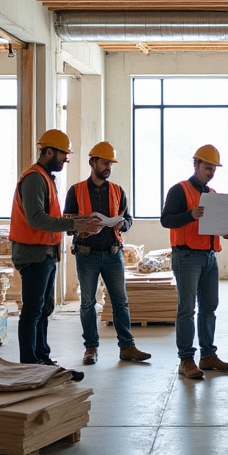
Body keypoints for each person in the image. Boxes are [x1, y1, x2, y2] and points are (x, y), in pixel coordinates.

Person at [10, 130, 101, 366]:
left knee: (44, 309)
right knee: (32, 311)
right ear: (48, 151)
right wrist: (74, 223)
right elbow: (36, 219)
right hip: (33, 253)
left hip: (46, 252)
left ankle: (41, 357)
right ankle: (30, 363)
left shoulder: (46, 178)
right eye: (63, 154)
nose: (65, 159)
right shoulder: (33, 179)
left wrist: (77, 225)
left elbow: (50, 217)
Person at [65, 141, 150, 366]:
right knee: (87, 303)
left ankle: (127, 347)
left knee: (120, 302)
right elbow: (66, 224)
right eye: (104, 163)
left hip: (113, 254)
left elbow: (128, 218)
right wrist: (83, 226)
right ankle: (91, 348)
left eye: (110, 164)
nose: (108, 167)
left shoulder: (118, 190)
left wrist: (121, 225)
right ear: (92, 162)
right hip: (87, 254)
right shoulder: (75, 191)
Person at [160, 145, 228, 379]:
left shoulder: (212, 194)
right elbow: (166, 220)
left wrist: (225, 231)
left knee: (209, 307)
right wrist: (189, 215)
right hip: (187, 257)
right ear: (196, 166)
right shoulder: (179, 191)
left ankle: (208, 355)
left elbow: (211, 225)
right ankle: (186, 359)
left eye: (214, 168)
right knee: (187, 309)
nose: (211, 172)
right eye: (207, 167)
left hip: (209, 256)